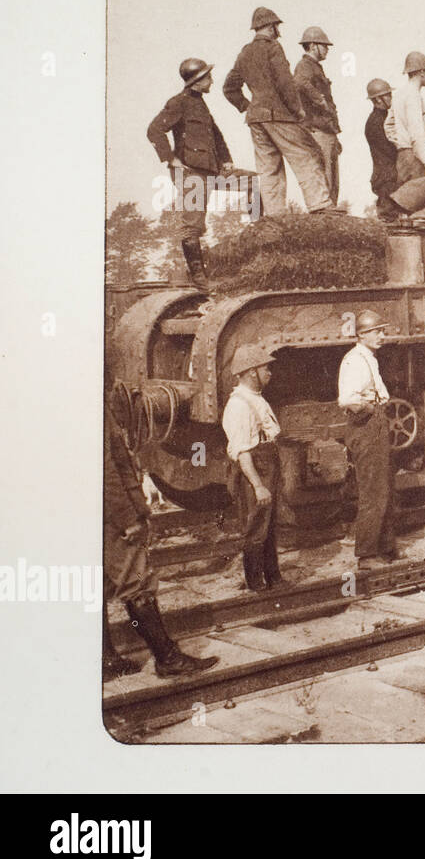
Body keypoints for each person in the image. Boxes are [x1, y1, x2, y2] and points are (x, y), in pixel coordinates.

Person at [104, 400, 219, 679]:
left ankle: (105, 660)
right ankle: (167, 659)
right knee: (137, 581)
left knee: (98, 582)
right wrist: (130, 517)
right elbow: (108, 473)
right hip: (110, 515)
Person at [222, 6, 331, 215]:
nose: (278, 31)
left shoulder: (245, 52)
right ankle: (320, 205)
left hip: (255, 119)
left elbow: (229, 87)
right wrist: (297, 110)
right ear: (271, 27)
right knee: (307, 154)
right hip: (279, 115)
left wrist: (248, 106)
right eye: (276, 26)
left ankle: (274, 215)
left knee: (268, 167)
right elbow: (285, 83)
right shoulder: (273, 47)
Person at [146, 57, 233, 290]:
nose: (212, 81)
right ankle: (200, 279)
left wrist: (227, 160)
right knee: (192, 224)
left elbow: (215, 134)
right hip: (192, 173)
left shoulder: (201, 103)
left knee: (251, 183)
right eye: (208, 77)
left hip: (211, 170)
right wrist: (171, 159)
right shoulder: (178, 103)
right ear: (197, 81)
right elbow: (154, 130)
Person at [337, 310, 400, 568]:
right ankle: (366, 555)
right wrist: (371, 409)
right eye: (378, 332)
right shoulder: (355, 360)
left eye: (382, 331)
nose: (382, 336)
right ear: (362, 335)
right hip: (366, 425)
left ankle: (385, 548)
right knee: (372, 491)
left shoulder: (367, 357)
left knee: (383, 486)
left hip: (374, 423)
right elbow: (347, 399)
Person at [221, 342, 286, 591]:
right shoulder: (239, 405)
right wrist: (258, 485)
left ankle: (274, 578)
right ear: (251, 372)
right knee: (255, 526)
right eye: (265, 368)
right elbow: (242, 451)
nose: (270, 372)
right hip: (255, 467)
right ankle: (256, 584)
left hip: (266, 461)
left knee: (267, 524)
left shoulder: (255, 398)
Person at [293, 26, 343, 206]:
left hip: (326, 130)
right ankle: (327, 213)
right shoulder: (305, 65)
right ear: (313, 45)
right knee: (324, 176)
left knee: (331, 177)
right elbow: (299, 83)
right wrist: (320, 100)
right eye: (324, 46)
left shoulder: (313, 67)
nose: (327, 49)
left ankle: (330, 213)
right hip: (318, 130)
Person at [384, 51, 425, 187]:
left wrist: (401, 143)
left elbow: (388, 125)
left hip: (404, 158)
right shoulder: (413, 96)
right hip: (417, 159)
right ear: (421, 72)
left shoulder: (399, 94)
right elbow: (417, 132)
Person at [364, 78, 401, 222]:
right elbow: (389, 149)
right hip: (386, 178)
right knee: (388, 219)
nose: (390, 97)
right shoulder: (375, 122)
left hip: (390, 175)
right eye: (387, 95)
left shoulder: (386, 117)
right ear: (377, 99)